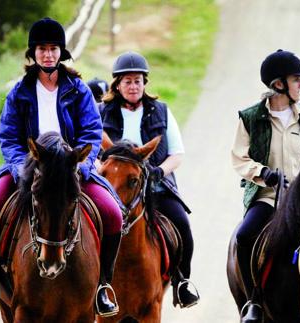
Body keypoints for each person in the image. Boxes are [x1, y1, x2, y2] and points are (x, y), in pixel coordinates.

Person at [0, 17, 123, 318]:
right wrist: (18, 166)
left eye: (53, 49)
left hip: (71, 171)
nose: (48, 54)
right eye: (42, 49)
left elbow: (91, 131)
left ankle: (102, 286)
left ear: (61, 53)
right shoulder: (20, 91)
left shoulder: (77, 89)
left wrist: (84, 165)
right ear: (33, 53)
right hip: (30, 170)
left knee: (113, 214)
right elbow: (8, 136)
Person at [100, 51, 200, 308]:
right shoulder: (102, 112)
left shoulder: (162, 112)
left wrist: (158, 171)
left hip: (155, 186)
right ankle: (89, 283)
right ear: (117, 85)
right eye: (127, 81)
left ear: (145, 83)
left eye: (137, 81)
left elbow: (177, 154)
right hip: (113, 187)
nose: (133, 86)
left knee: (182, 224)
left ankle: (182, 282)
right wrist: (102, 171)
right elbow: (91, 151)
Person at [231, 49, 300, 323]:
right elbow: (238, 158)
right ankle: (253, 301)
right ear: (279, 84)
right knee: (245, 237)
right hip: (268, 197)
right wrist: (262, 173)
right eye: (297, 79)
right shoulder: (250, 118)